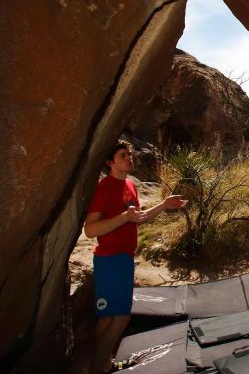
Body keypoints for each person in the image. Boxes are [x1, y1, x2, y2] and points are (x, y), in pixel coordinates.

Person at [83, 140, 187, 373]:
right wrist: (123, 218)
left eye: (130, 154)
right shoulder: (104, 188)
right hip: (109, 260)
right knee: (120, 318)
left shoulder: (130, 185)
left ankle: (105, 363)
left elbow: (138, 217)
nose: (129, 158)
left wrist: (163, 205)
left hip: (124, 259)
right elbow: (90, 230)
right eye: (123, 155)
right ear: (110, 162)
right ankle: (96, 369)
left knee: (106, 319)